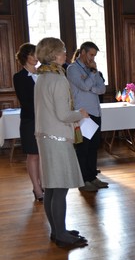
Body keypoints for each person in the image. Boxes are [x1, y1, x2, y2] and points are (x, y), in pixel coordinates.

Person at [34, 37, 89, 248]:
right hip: (57, 138)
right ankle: (61, 235)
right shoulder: (58, 79)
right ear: (54, 54)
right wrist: (80, 114)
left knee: (52, 188)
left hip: (46, 137)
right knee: (60, 188)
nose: (66, 54)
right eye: (63, 51)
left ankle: (58, 231)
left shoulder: (43, 77)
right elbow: (63, 114)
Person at [66, 41, 107, 192]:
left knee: (94, 147)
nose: (92, 58)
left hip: (95, 113)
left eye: (94, 55)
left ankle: (92, 177)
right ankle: (82, 180)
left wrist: (91, 83)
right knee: (83, 148)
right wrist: (93, 74)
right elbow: (84, 86)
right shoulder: (72, 69)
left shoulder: (91, 69)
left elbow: (102, 88)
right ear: (82, 52)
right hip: (83, 114)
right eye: (91, 54)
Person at [13, 42, 43, 201]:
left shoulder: (43, 74)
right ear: (25, 57)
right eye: (33, 54)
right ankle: (36, 188)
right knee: (33, 154)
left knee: (43, 154)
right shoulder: (19, 77)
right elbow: (26, 101)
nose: (36, 57)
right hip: (30, 120)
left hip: (45, 119)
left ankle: (44, 184)